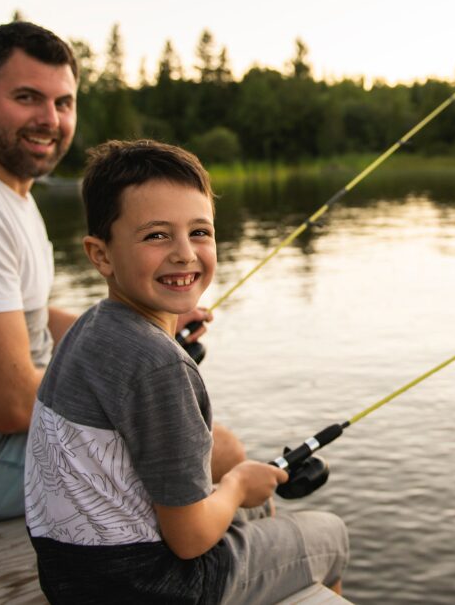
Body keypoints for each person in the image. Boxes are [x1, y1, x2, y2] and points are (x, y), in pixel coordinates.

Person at [0, 22, 216, 525]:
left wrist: (146, 337)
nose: (48, 119)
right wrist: (133, 376)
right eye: (27, 97)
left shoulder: (6, 189)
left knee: (189, 444)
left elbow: (29, 314)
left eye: (63, 103)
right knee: (212, 452)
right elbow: (8, 405)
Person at [25, 140, 348, 604]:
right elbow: (191, 539)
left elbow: (125, 386)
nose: (184, 254)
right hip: (150, 588)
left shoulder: (91, 329)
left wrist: (169, 327)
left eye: (200, 232)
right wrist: (237, 485)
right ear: (101, 255)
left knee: (255, 518)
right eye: (157, 235)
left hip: (73, 578)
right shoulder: (160, 367)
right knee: (330, 534)